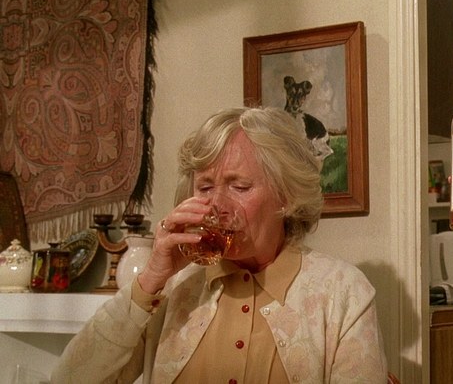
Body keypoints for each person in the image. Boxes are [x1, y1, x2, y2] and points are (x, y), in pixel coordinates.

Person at [53, 107, 388, 383]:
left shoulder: (342, 291)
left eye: (239, 187)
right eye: (205, 187)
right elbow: (70, 378)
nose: (217, 205)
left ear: (286, 196)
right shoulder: (172, 287)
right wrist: (152, 278)